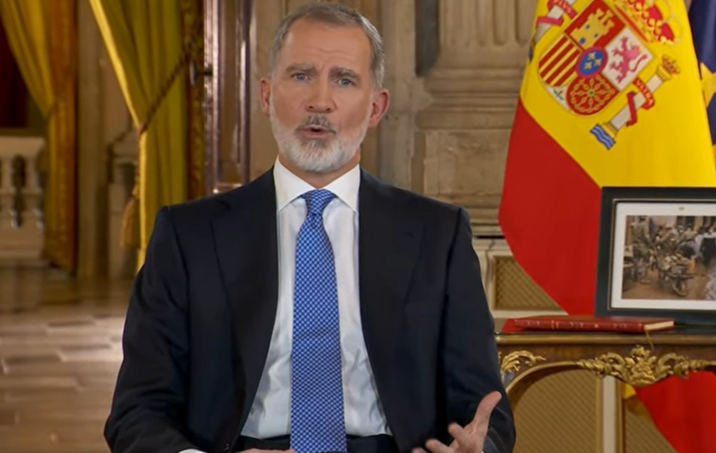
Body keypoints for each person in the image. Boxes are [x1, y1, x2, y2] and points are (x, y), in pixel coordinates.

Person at [103, 3, 515, 453]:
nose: (320, 100)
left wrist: (479, 448)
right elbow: (136, 410)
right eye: (301, 75)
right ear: (265, 95)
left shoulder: (439, 235)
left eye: (344, 79)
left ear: (376, 108)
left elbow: (484, 412)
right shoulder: (187, 237)